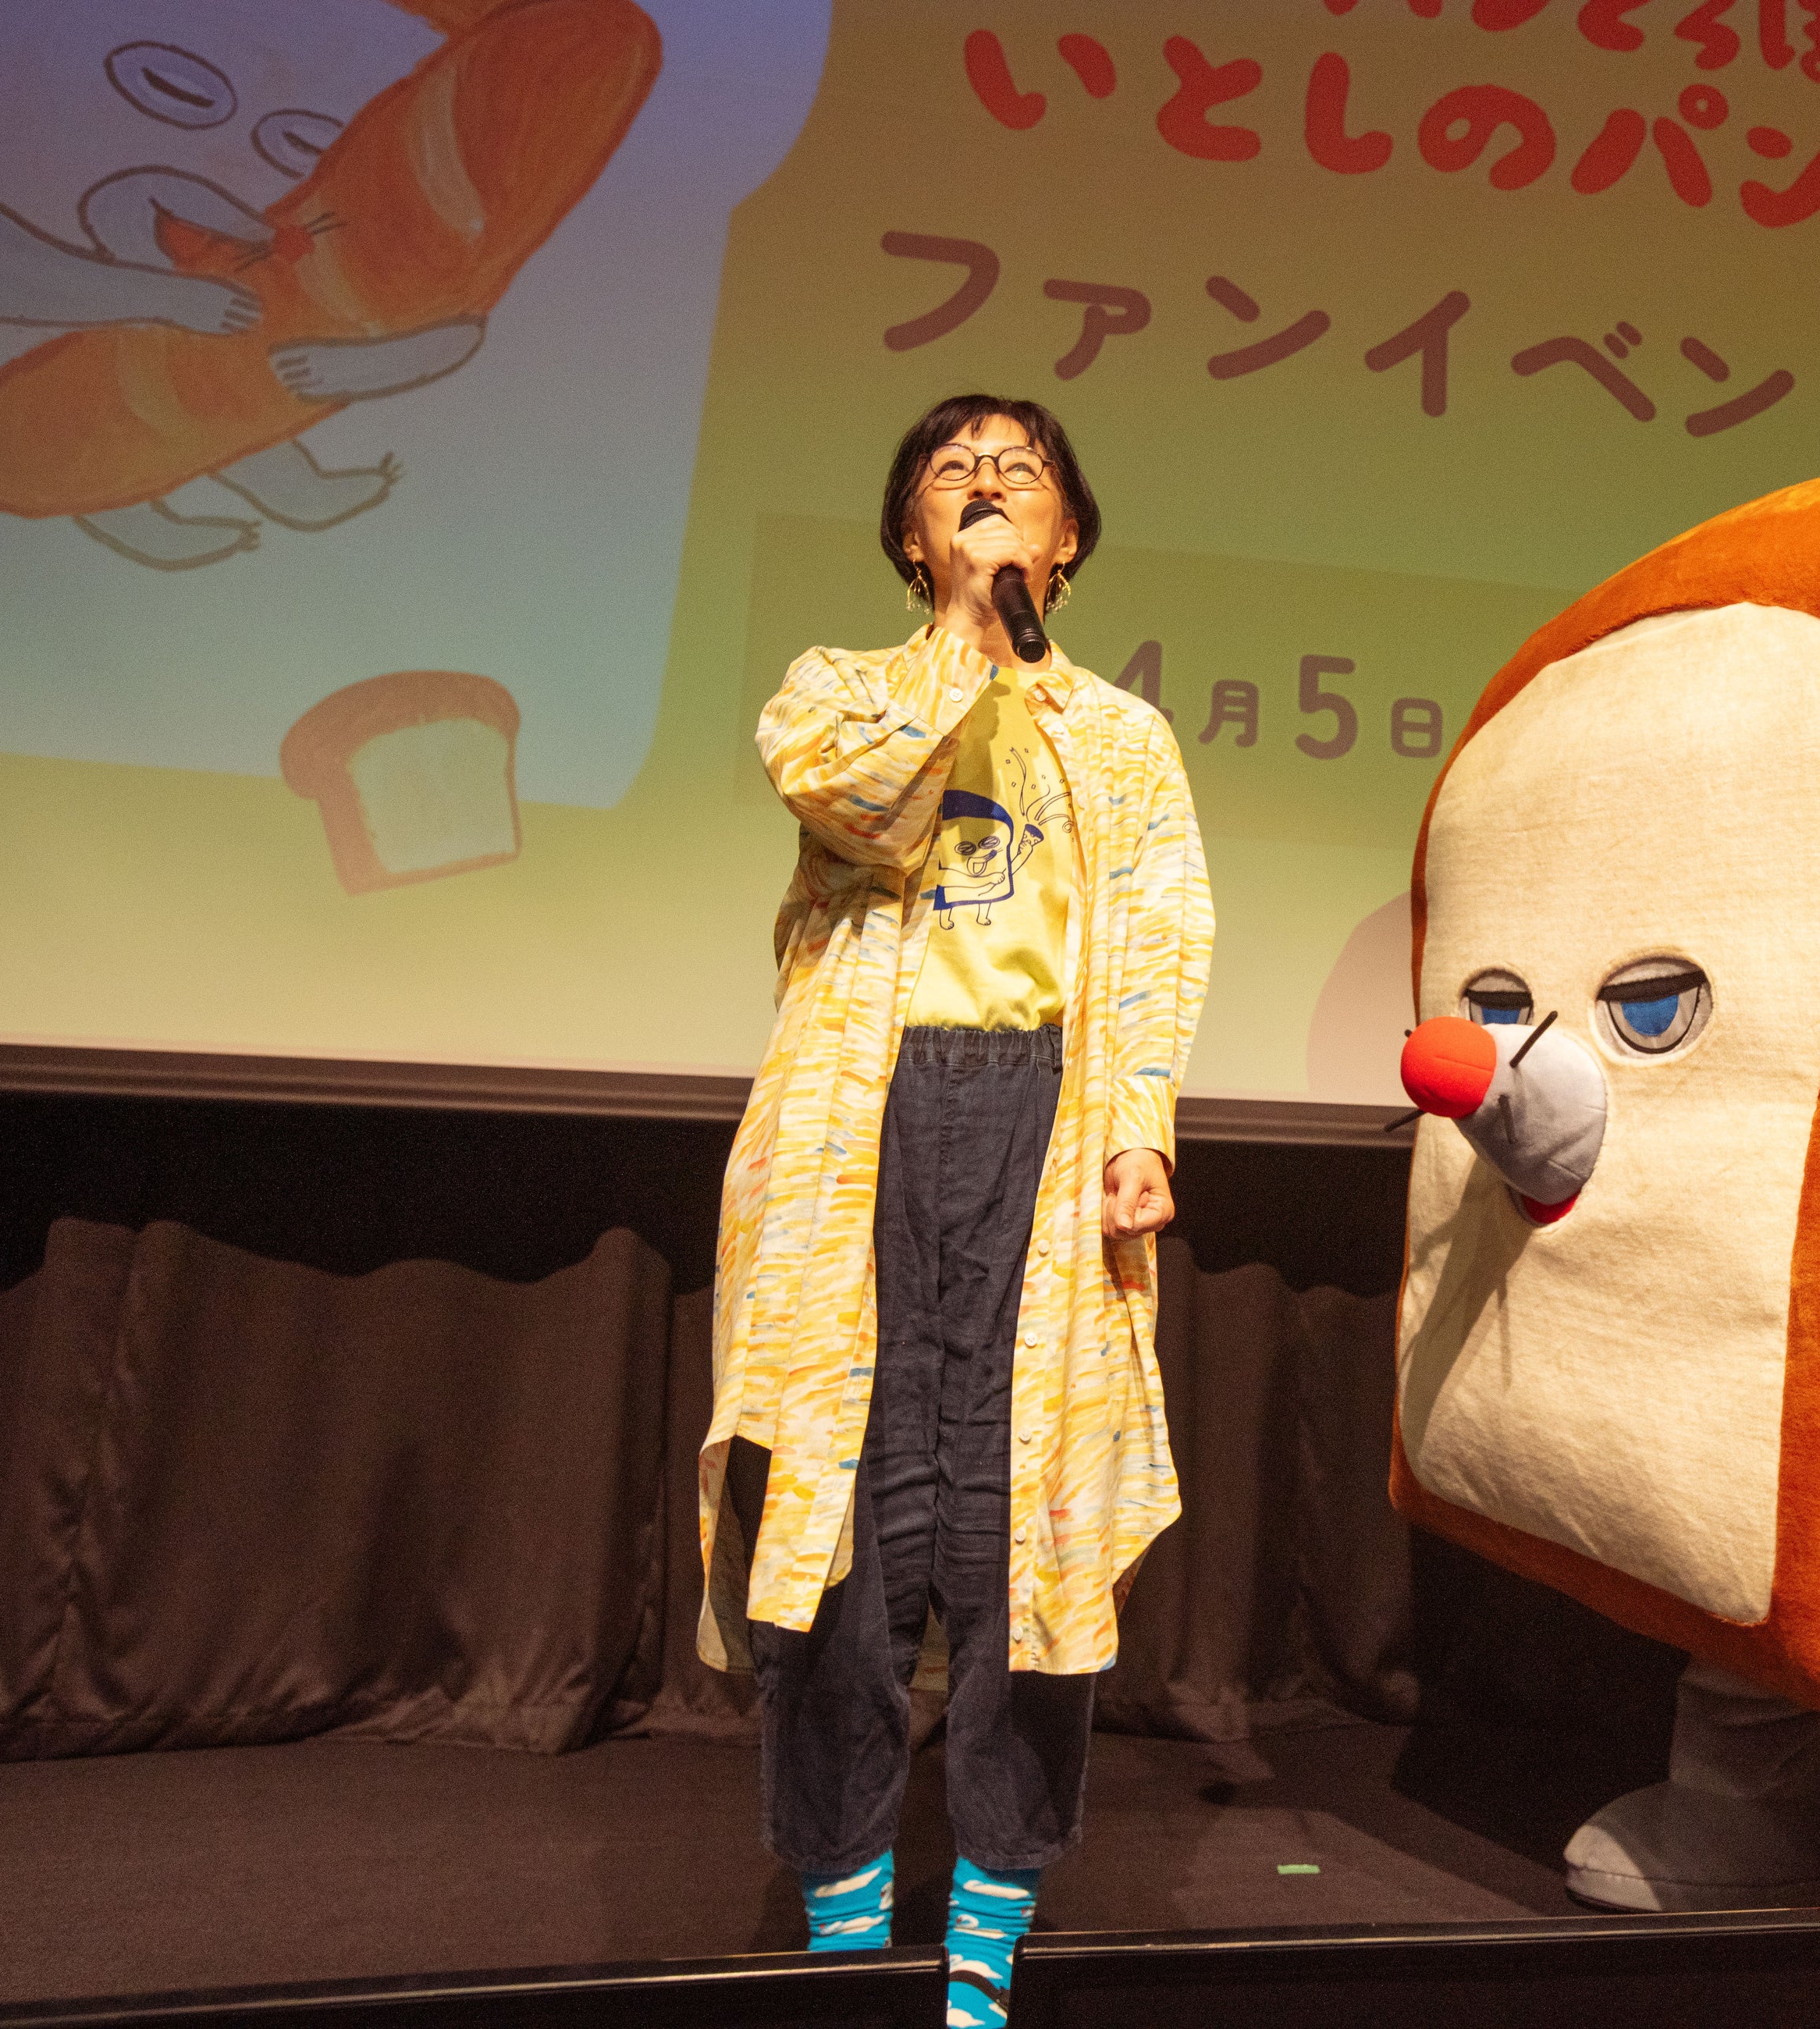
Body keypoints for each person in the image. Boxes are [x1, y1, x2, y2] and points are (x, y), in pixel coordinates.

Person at [698, 394, 1211, 2028]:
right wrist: (965, 644)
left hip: (1045, 1131)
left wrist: (1140, 1123)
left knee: (1024, 1531)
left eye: (1021, 476)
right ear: (912, 537)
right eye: (952, 475)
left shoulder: (1123, 738)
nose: (988, 488)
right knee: (845, 1528)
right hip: (861, 1130)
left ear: (1069, 538)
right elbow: (857, 799)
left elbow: (1158, 938)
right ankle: (847, 1916)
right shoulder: (839, 689)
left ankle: (990, 1918)